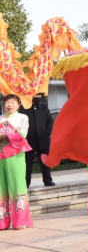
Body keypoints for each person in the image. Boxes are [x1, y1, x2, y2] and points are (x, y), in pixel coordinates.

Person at [0, 94, 33, 230]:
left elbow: (22, 135)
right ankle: (2, 221)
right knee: (1, 189)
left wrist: (4, 135)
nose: (9, 105)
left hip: (16, 155)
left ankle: (21, 220)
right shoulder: (1, 118)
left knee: (17, 185)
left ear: (18, 104)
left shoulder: (22, 118)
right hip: (1, 156)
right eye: (7, 102)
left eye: (12, 102)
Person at [20, 93, 55, 188]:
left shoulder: (44, 107)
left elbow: (49, 121)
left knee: (45, 161)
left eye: (39, 95)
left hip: (43, 139)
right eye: (36, 95)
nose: (38, 97)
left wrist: (47, 132)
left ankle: (47, 180)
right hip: (28, 140)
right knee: (27, 162)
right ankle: (26, 182)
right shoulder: (23, 108)